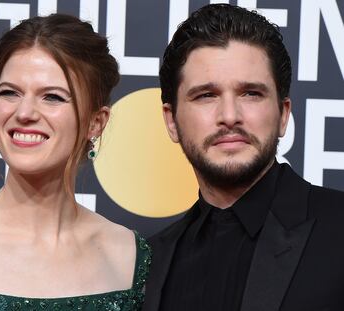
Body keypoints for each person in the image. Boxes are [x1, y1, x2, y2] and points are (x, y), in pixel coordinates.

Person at [0, 14, 150, 311]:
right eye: (9, 93)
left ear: (96, 122)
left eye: (53, 97)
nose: (24, 113)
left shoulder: (131, 258)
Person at [143, 4, 344, 311]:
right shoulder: (150, 263)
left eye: (251, 93)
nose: (229, 116)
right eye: (206, 95)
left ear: (283, 114)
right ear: (172, 121)